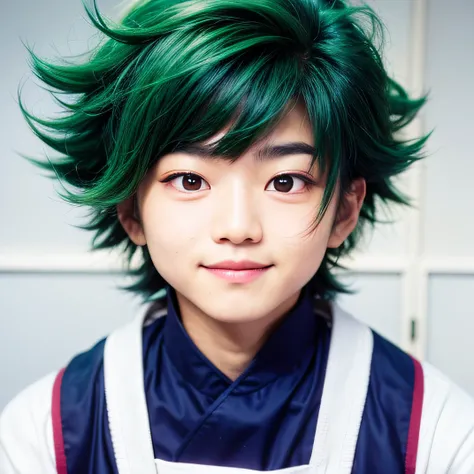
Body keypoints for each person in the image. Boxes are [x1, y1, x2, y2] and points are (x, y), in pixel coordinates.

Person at [1, 0, 474, 472]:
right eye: (190, 180)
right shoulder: (45, 431)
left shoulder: (436, 430)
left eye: (285, 181)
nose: (238, 227)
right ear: (131, 210)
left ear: (345, 209)